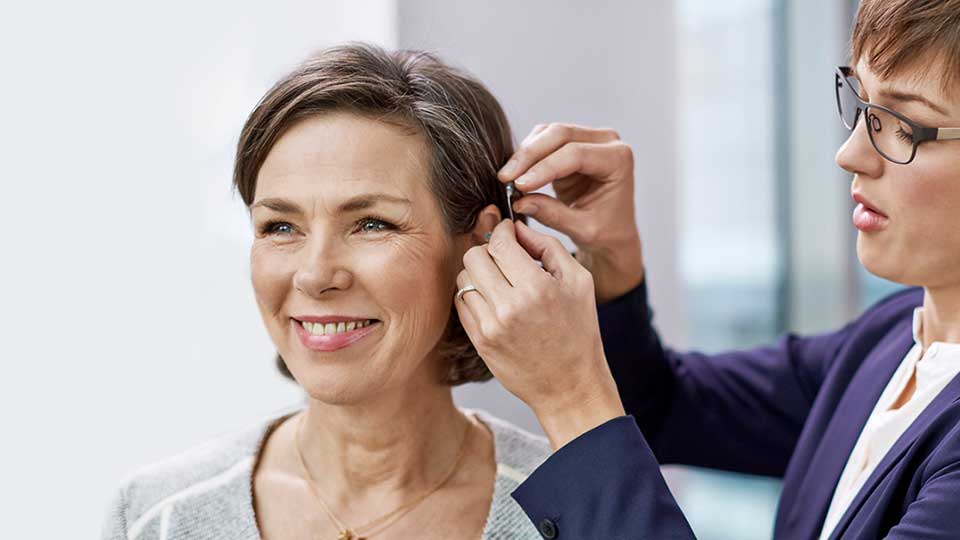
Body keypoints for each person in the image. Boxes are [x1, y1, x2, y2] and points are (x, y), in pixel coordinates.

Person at [455, 0, 960, 538]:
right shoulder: (888, 341)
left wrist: (569, 399)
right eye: (863, 105)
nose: (851, 152)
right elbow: (667, 406)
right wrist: (611, 261)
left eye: (906, 126)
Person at [101, 43, 557, 540]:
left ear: (481, 242)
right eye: (279, 227)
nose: (315, 275)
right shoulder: (157, 514)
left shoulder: (571, 511)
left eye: (371, 223)